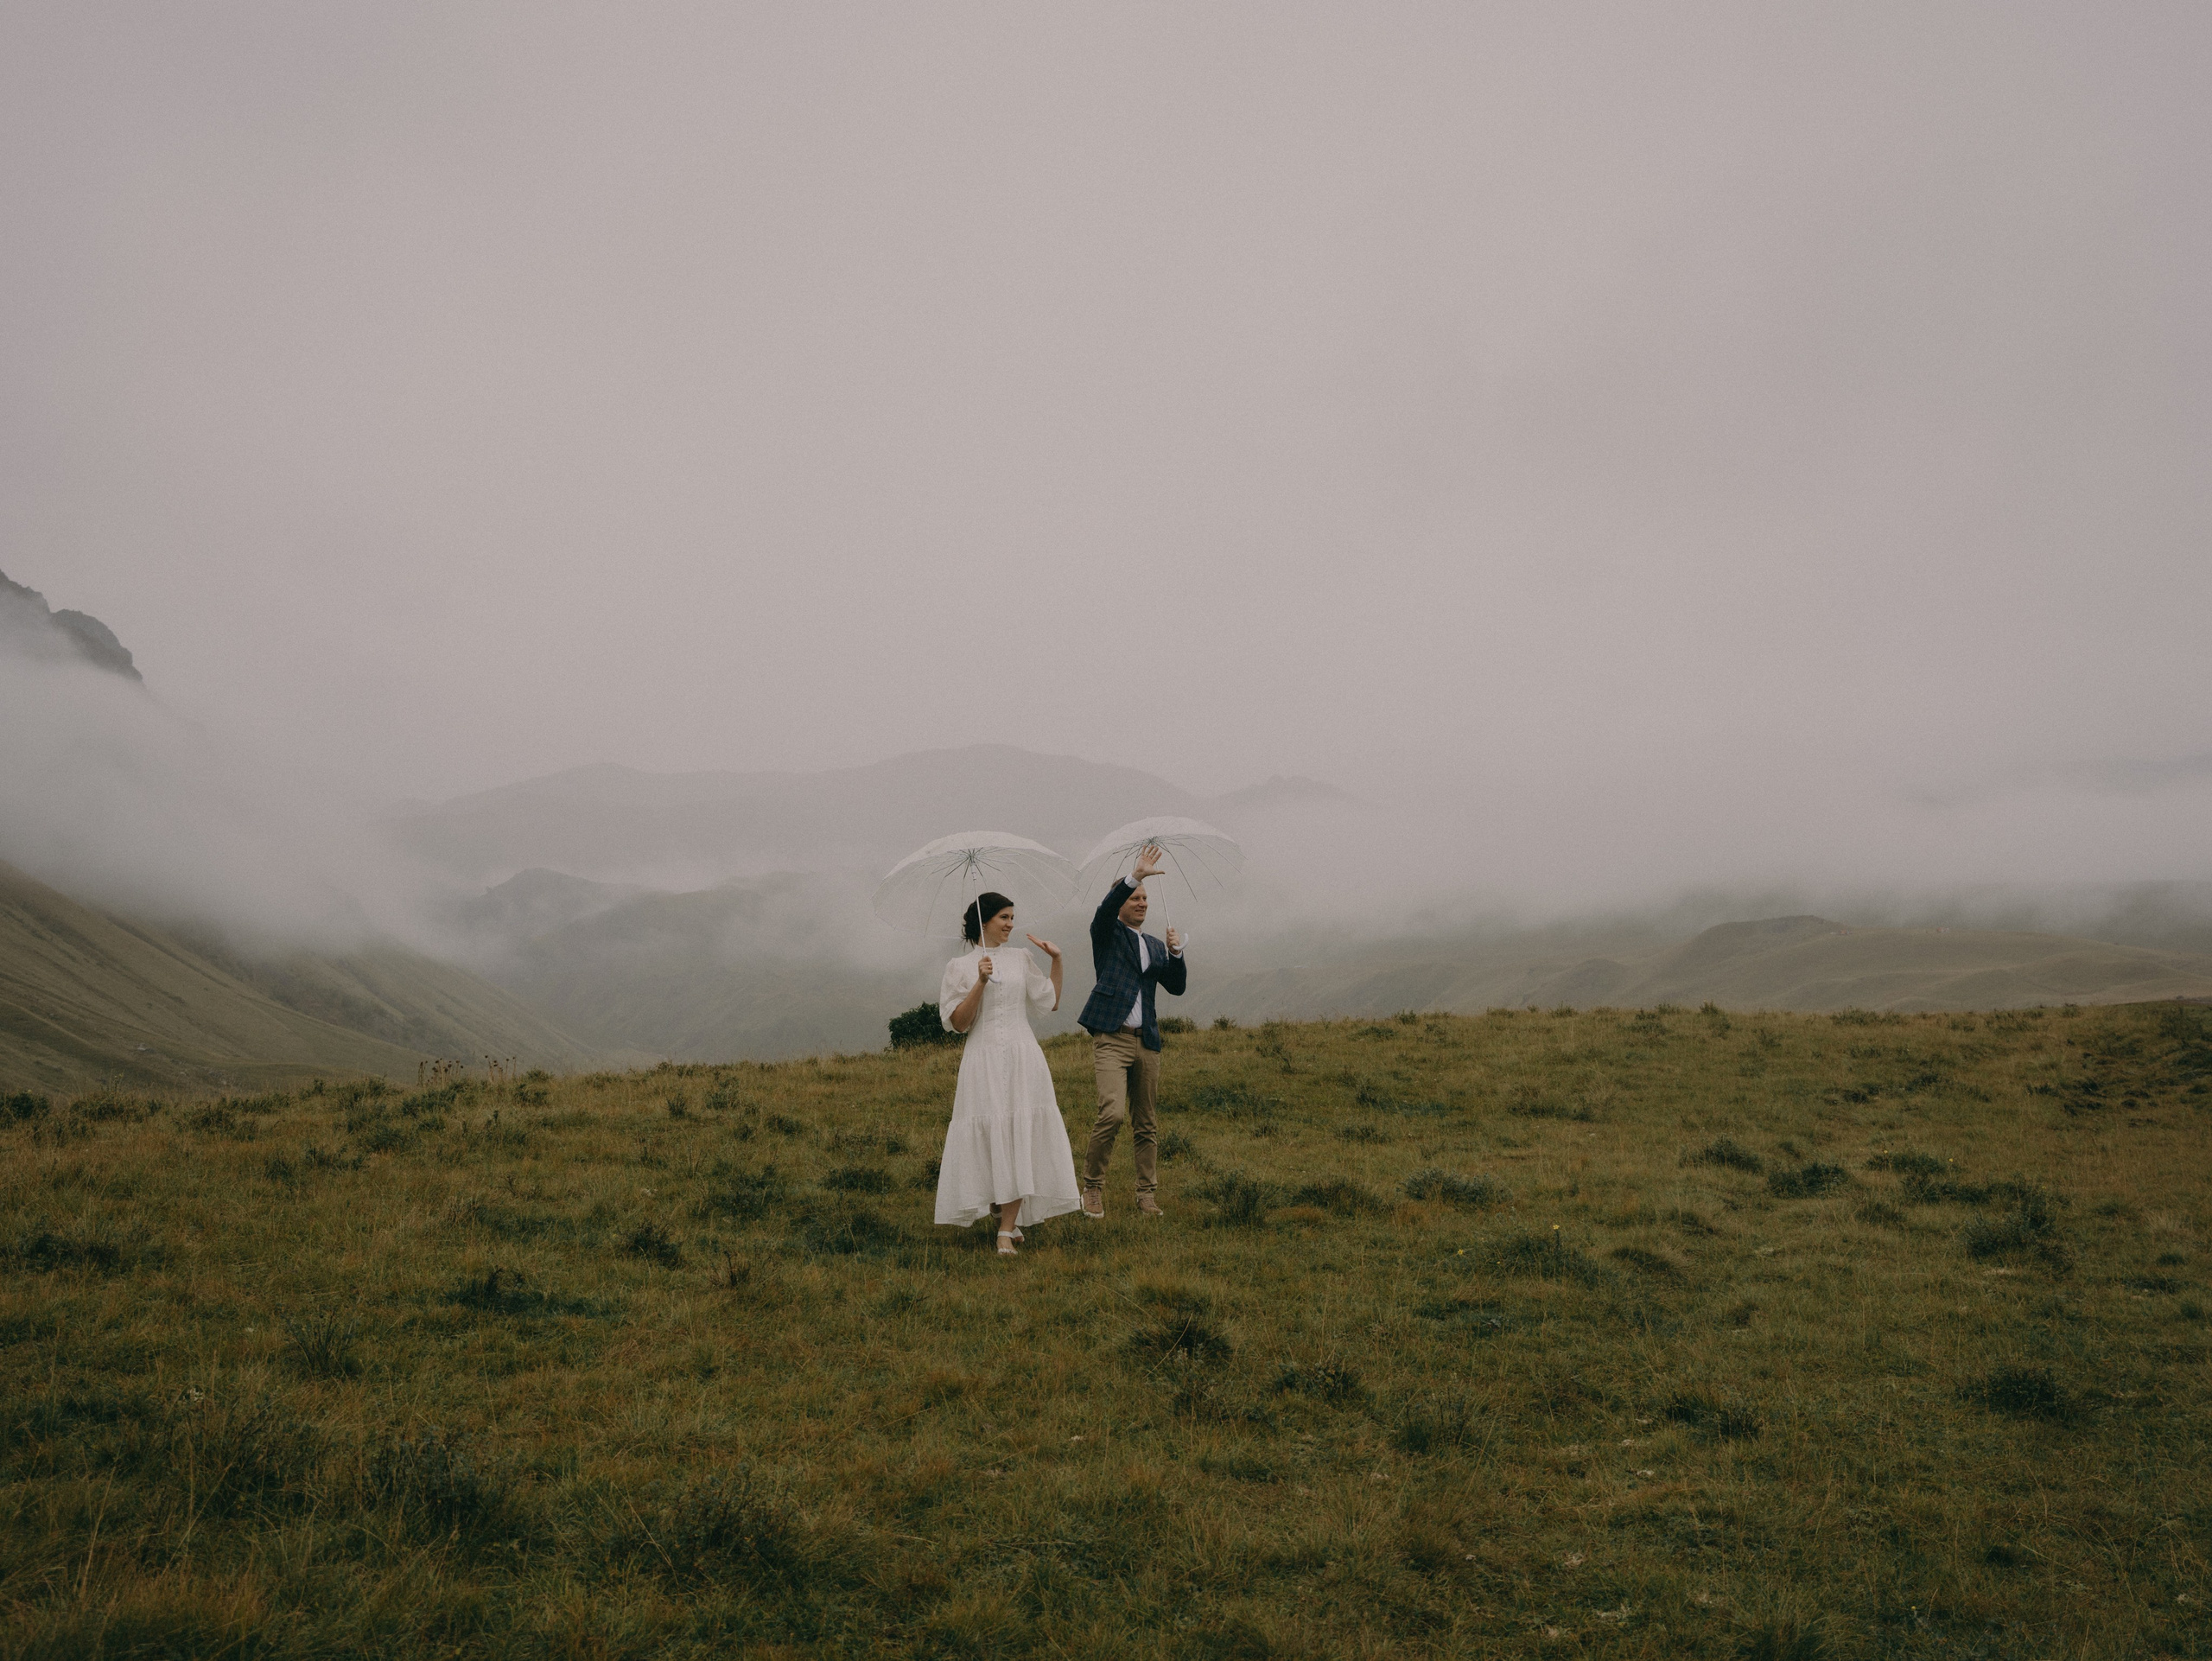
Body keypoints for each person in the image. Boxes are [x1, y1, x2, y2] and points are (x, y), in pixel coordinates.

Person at [935, 890, 1081, 1256]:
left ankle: (1006, 1229)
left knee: (1019, 1132)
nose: (1011, 925)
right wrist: (980, 982)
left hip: (1022, 1057)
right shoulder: (960, 967)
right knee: (991, 1133)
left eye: (1013, 918)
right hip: (981, 1059)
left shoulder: (1020, 958)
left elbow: (1050, 1001)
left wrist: (1057, 960)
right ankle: (1003, 1209)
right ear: (984, 921)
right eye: (1004, 918)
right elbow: (960, 1023)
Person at [1074, 843, 1187, 1218]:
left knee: (1146, 1122)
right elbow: (1103, 912)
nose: (1142, 902)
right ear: (1120, 900)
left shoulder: (1154, 944)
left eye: (1144, 898)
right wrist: (1135, 874)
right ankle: (1092, 1188)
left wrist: (1176, 954)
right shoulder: (1106, 934)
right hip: (1112, 1036)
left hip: (1148, 1042)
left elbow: (1177, 986)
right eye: (1135, 897)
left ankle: (1146, 1195)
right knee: (1112, 1114)